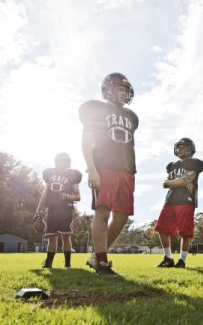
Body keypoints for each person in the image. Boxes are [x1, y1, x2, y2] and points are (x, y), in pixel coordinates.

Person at [79, 72, 139, 276]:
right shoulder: (96, 109)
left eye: (125, 90)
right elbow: (86, 141)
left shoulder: (131, 116)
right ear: (108, 90)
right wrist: (92, 169)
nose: (123, 94)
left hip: (127, 170)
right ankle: (102, 261)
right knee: (103, 211)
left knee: (122, 217)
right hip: (104, 166)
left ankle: (97, 255)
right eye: (120, 89)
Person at [154, 138, 203, 269]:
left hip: (186, 200)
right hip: (170, 200)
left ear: (191, 148)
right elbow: (165, 183)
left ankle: (181, 261)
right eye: (179, 146)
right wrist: (181, 181)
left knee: (185, 232)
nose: (181, 149)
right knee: (161, 228)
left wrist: (180, 181)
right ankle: (168, 258)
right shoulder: (172, 165)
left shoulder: (196, 163)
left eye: (184, 146)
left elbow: (182, 179)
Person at [34, 152, 82, 268]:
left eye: (65, 160)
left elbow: (78, 196)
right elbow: (45, 195)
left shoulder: (73, 175)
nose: (63, 162)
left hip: (66, 209)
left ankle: (67, 264)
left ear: (68, 162)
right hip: (52, 209)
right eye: (61, 160)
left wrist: (66, 196)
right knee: (51, 237)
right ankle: (48, 263)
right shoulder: (49, 174)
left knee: (66, 236)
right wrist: (37, 210)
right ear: (56, 161)